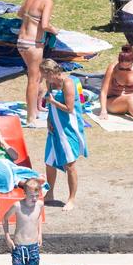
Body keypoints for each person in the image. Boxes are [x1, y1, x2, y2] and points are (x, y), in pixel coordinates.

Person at [17, 0, 63, 125]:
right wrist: (54, 30)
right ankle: (31, 117)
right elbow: (44, 25)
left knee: (35, 78)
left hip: (21, 41)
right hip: (33, 44)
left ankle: (35, 110)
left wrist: (33, 19)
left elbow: (20, 13)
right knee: (34, 80)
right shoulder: (48, 1)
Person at [42, 60, 86, 209]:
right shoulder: (50, 83)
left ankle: (71, 199)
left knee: (70, 164)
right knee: (49, 161)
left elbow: (69, 108)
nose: (43, 77)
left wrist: (53, 101)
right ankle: (50, 193)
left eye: (44, 74)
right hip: (55, 127)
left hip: (68, 128)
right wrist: (48, 119)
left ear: (52, 73)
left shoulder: (67, 83)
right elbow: (49, 103)